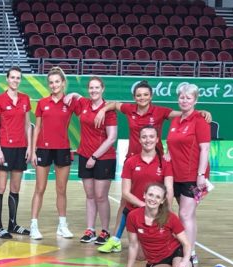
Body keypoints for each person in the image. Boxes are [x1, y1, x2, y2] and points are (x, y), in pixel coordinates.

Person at [94, 80, 211, 252]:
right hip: (135, 162)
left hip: (161, 165)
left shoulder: (162, 112)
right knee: (125, 202)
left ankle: (177, 246)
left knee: (179, 209)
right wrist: (103, 110)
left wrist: (200, 112)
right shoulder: (130, 109)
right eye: (139, 95)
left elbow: (184, 117)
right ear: (134, 97)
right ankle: (116, 238)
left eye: (145, 95)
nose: (142, 98)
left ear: (151, 96)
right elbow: (114, 104)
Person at [111, 183, 233, 267]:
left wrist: (186, 260)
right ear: (144, 195)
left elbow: (186, 243)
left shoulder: (169, 217)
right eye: (150, 195)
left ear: (162, 200)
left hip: (176, 253)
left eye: (158, 197)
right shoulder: (133, 216)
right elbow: (134, 245)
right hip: (157, 261)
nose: (153, 199)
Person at [98, 125, 173, 253]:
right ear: (139, 140)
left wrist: (165, 211)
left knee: (147, 255)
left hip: (155, 212)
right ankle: (116, 240)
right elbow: (125, 193)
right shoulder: (131, 162)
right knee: (139, 255)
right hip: (135, 212)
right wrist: (145, 206)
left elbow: (169, 189)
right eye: (144, 137)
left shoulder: (164, 162)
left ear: (157, 140)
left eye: (151, 137)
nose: (147, 140)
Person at [69, 77, 118, 245]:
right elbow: (76, 97)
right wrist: (73, 93)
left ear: (102, 89)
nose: (94, 90)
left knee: (100, 196)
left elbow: (111, 138)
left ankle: (105, 231)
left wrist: (94, 157)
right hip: (84, 155)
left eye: (97, 87)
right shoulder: (84, 104)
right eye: (91, 88)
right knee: (90, 195)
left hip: (103, 158)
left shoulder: (109, 110)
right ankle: (90, 230)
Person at [166, 83, 211, 263]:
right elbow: (172, 144)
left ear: (195, 100)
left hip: (193, 176)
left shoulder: (200, 120)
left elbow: (205, 149)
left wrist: (201, 175)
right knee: (188, 214)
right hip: (175, 175)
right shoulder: (176, 120)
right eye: (181, 97)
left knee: (184, 214)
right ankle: (188, 248)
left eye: (188, 98)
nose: (184, 101)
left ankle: (190, 253)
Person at [29, 66, 74, 240]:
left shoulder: (70, 103)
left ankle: (62, 225)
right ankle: (34, 225)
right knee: (40, 188)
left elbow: (85, 105)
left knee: (61, 189)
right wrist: (33, 151)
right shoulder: (42, 103)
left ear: (63, 83)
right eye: (51, 82)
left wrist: (75, 95)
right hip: (43, 149)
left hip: (62, 148)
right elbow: (37, 128)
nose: (54, 85)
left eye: (57, 82)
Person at [0, 66, 32, 239]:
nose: (15, 80)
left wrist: (29, 146)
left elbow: (27, 125)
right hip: (4, 148)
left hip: (21, 147)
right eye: (12, 77)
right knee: (1, 187)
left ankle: (12, 224)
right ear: (7, 79)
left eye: (18, 78)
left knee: (15, 188)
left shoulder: (25, 99)